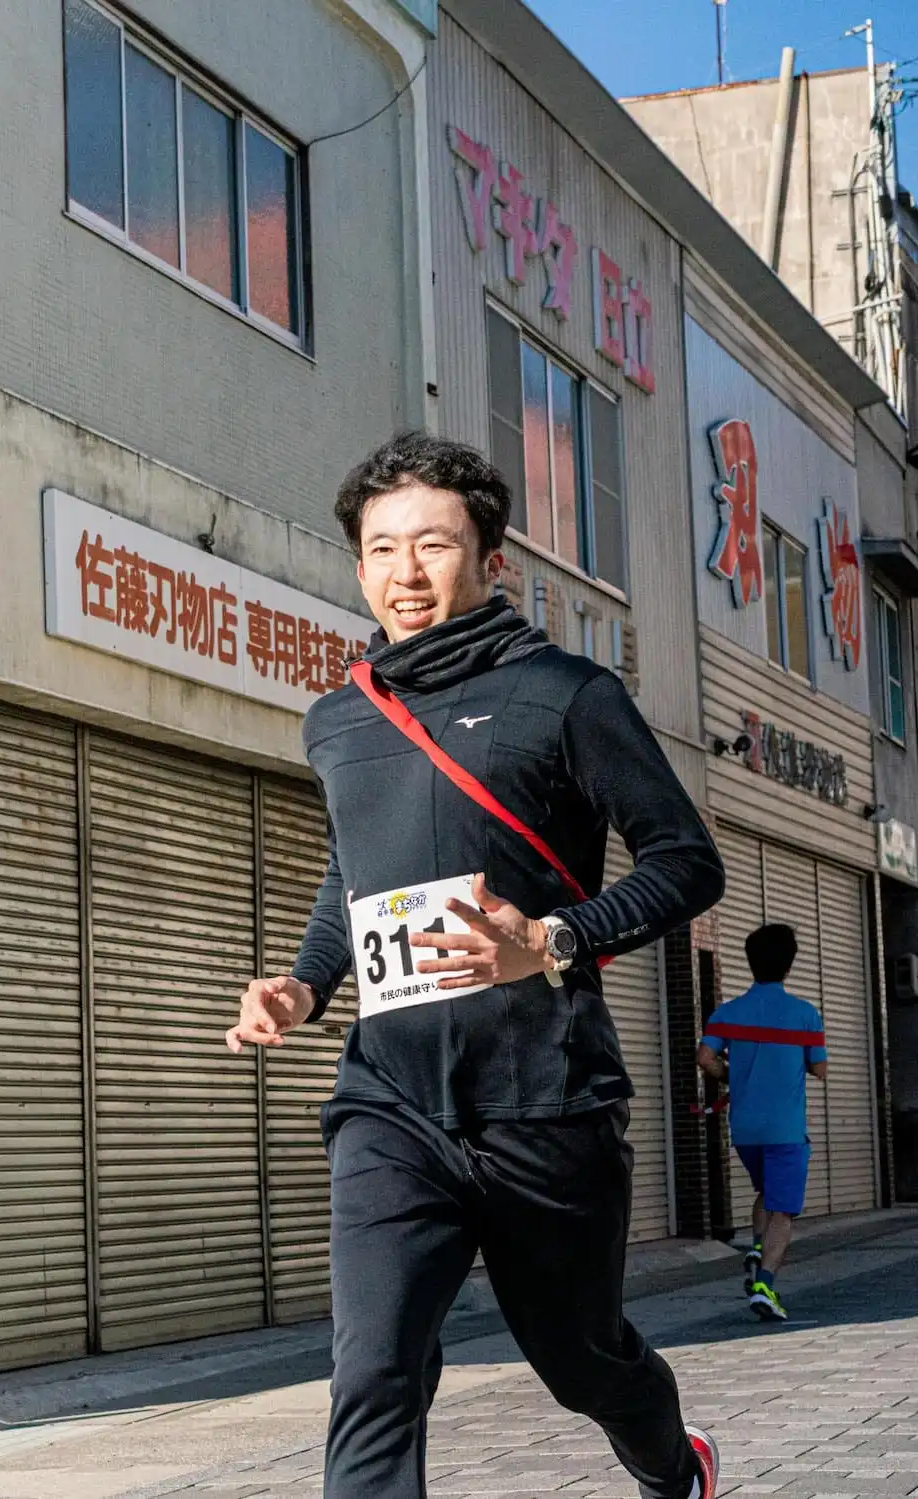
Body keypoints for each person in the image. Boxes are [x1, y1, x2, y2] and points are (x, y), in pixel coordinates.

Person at [227, 432, 726, 1499]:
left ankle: (670, 1463)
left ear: (492, 560)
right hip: (391, 1099)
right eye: (381, 548)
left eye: (434, 544)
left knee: (580, 1356)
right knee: (373, 1370)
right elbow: (353, 876)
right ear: (359, 565)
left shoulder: (566, 693)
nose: (405, 571)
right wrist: (306, 984)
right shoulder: (339, 719)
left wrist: (550, 938)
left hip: (545, 1096)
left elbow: (687, 863)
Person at [697, 922, 828, 1323]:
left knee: (767, 1191)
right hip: (786, 1130)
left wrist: (730, 1075)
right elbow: (820, 1069)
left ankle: (756, 1248)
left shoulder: (727, 1013)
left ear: (751, 962)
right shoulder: (805, 1015)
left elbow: (705, 1059)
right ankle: (765, 1286)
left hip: (745, 1129)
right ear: (789, 965)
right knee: (783, 1211)